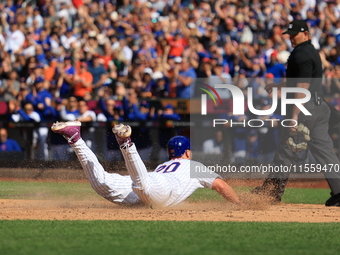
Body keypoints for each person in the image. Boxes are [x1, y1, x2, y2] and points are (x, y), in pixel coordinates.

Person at [50, 120, 241, 207]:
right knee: (143, 186)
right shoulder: (194, 165)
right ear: (188, 152)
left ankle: (75, 138)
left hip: (150, 183)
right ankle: (126, 143)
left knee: (102, 183)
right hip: (159, 188)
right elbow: (221, 186)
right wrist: (240, 204)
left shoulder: (163, 165)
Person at [252, 20, 340, 206]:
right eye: (289, 34)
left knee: (286, 148)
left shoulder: (301, 55)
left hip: (305, 108)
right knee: (325, 152)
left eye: (294, 34)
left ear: (306, 34)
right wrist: (279, 85)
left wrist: (293, 116)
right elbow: (302, 79)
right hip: (319, 107)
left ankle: (271, 192)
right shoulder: (310, 51)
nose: (291, 37)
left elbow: (302, 87)